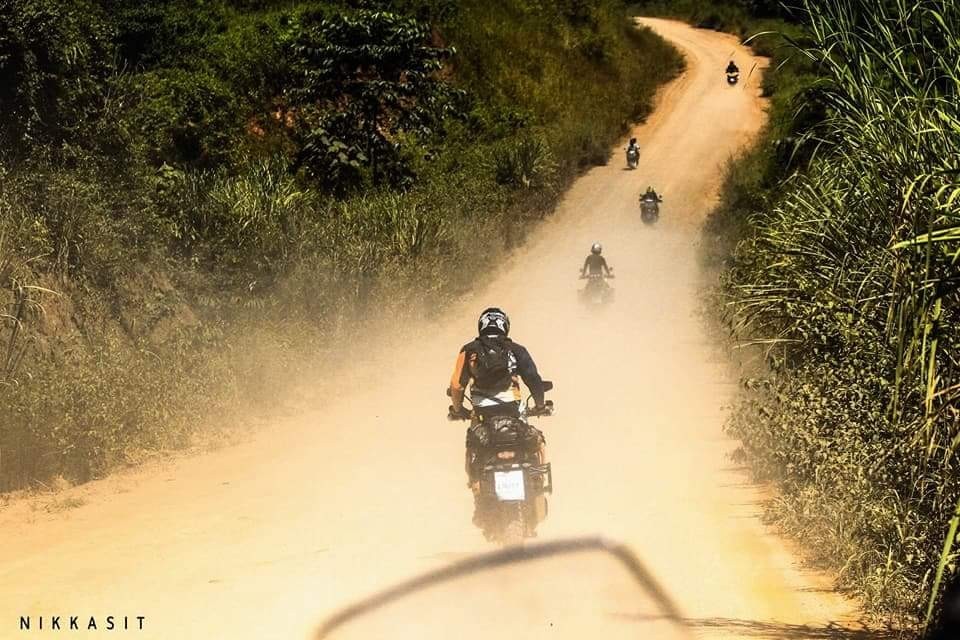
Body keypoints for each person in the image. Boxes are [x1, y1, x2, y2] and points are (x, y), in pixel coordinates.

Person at [448, 308, 547, 490]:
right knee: (537, 443)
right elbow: (533, 379)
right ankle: (538, 482)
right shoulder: (516, 349)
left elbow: (456, 385)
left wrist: (457, 409)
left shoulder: (469, 351)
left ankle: (476, 485)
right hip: (514, 414)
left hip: (482, 416)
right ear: (505, 327)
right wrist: (540, 405)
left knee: (473, 447)